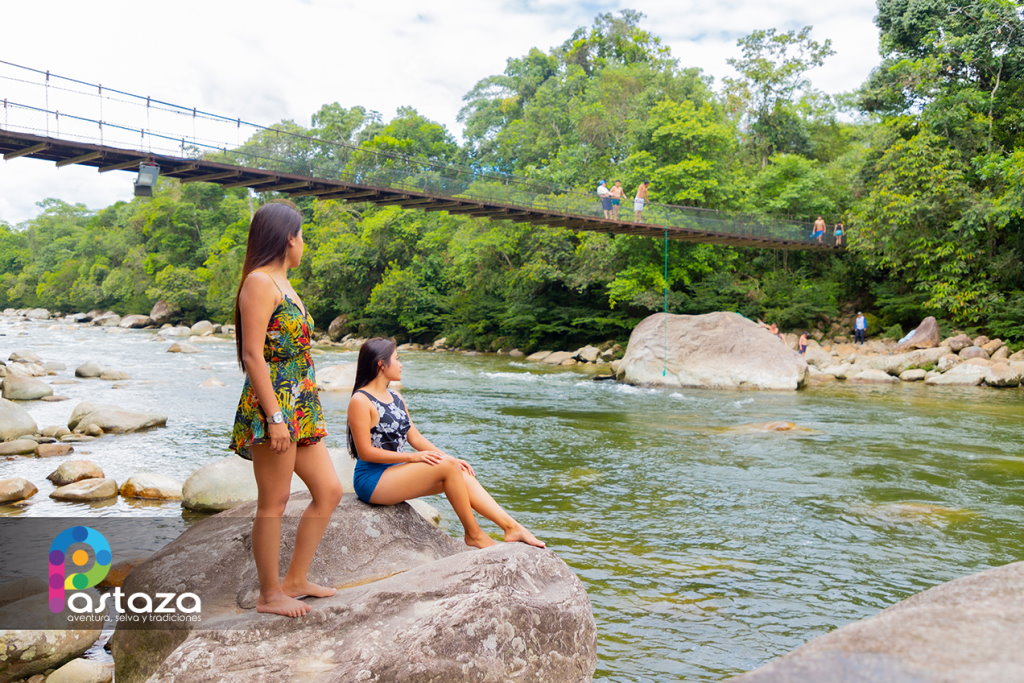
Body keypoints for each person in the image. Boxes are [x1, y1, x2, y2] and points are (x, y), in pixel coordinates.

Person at [229, 200, 343, 618]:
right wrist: (275, 417)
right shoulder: (259, 282)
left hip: (301, 403)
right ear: (287, 238)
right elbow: (253, 355)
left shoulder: (284, 282)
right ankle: (269, 594)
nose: (304, 243)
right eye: (302, 235)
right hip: (274, 405)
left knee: (329, 491)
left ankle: (295, 580)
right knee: (273, 502)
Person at [347, 338, 545, 550]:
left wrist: (450, 458)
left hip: (395, 473)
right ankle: (474, 534)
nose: (401, 364)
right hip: (372, 480)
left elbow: (416, 438)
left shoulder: (395, 397)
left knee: (459, 471)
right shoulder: (361, 400)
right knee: (449, 467)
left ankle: (511, 527)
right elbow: (365, 453)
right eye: (397, 359)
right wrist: (413, 457)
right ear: (381, 363)